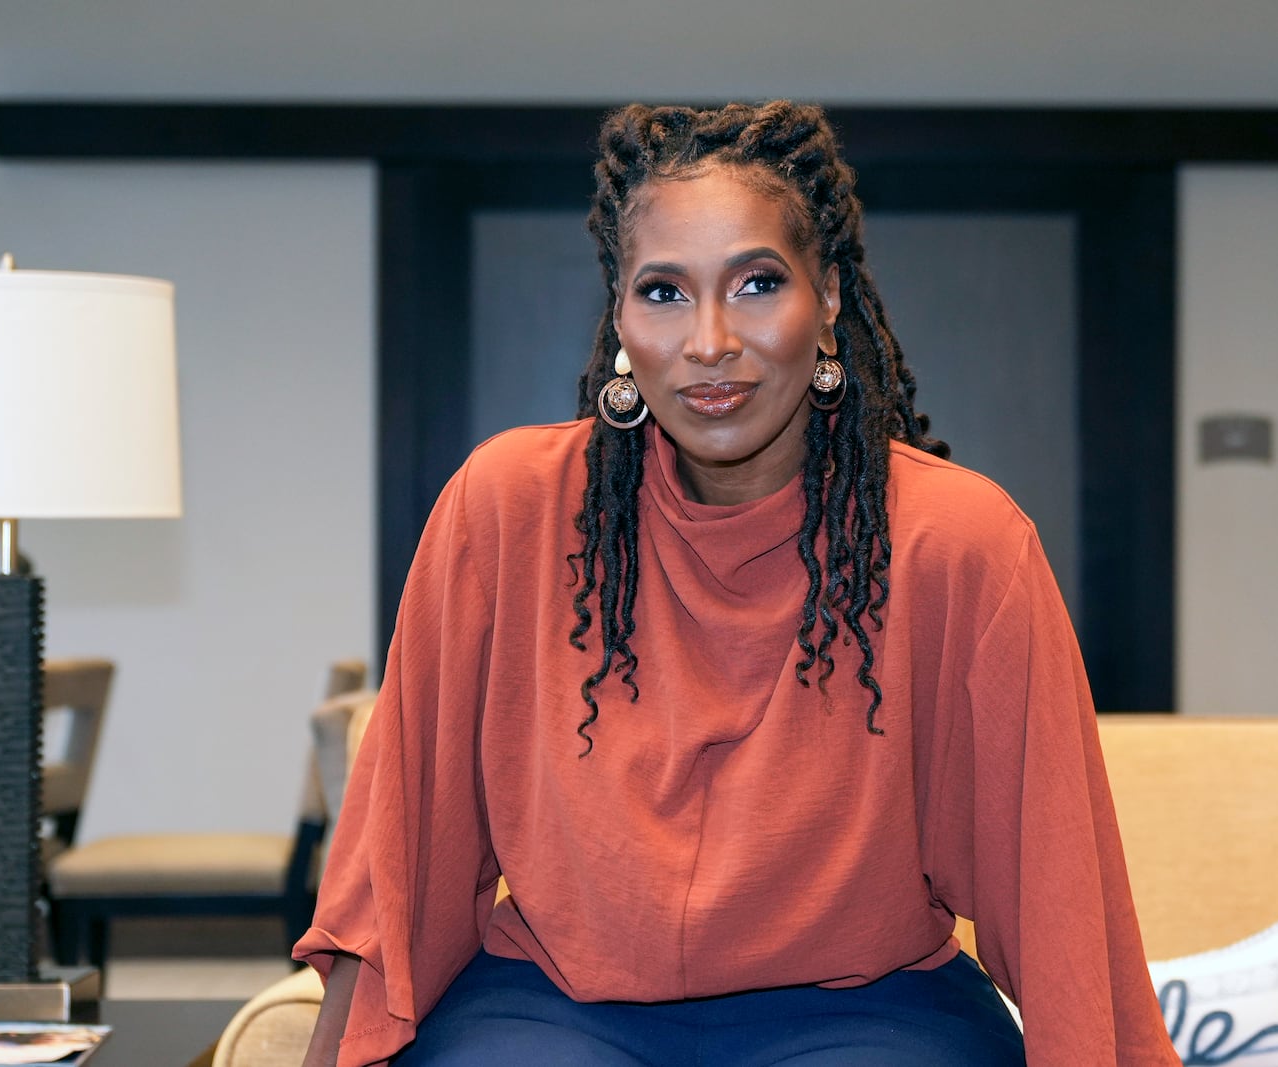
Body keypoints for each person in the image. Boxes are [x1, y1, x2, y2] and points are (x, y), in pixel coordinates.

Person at [296, 101, 1180, 1066]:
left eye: (757, 283)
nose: (709, 340)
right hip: (553, 1001)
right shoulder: (504, 507)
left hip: (870, 1008)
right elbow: (401, 849)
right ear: (622, 317)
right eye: (664, 292)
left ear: (829, 296)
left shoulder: (963, 541)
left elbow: (1053, 885)